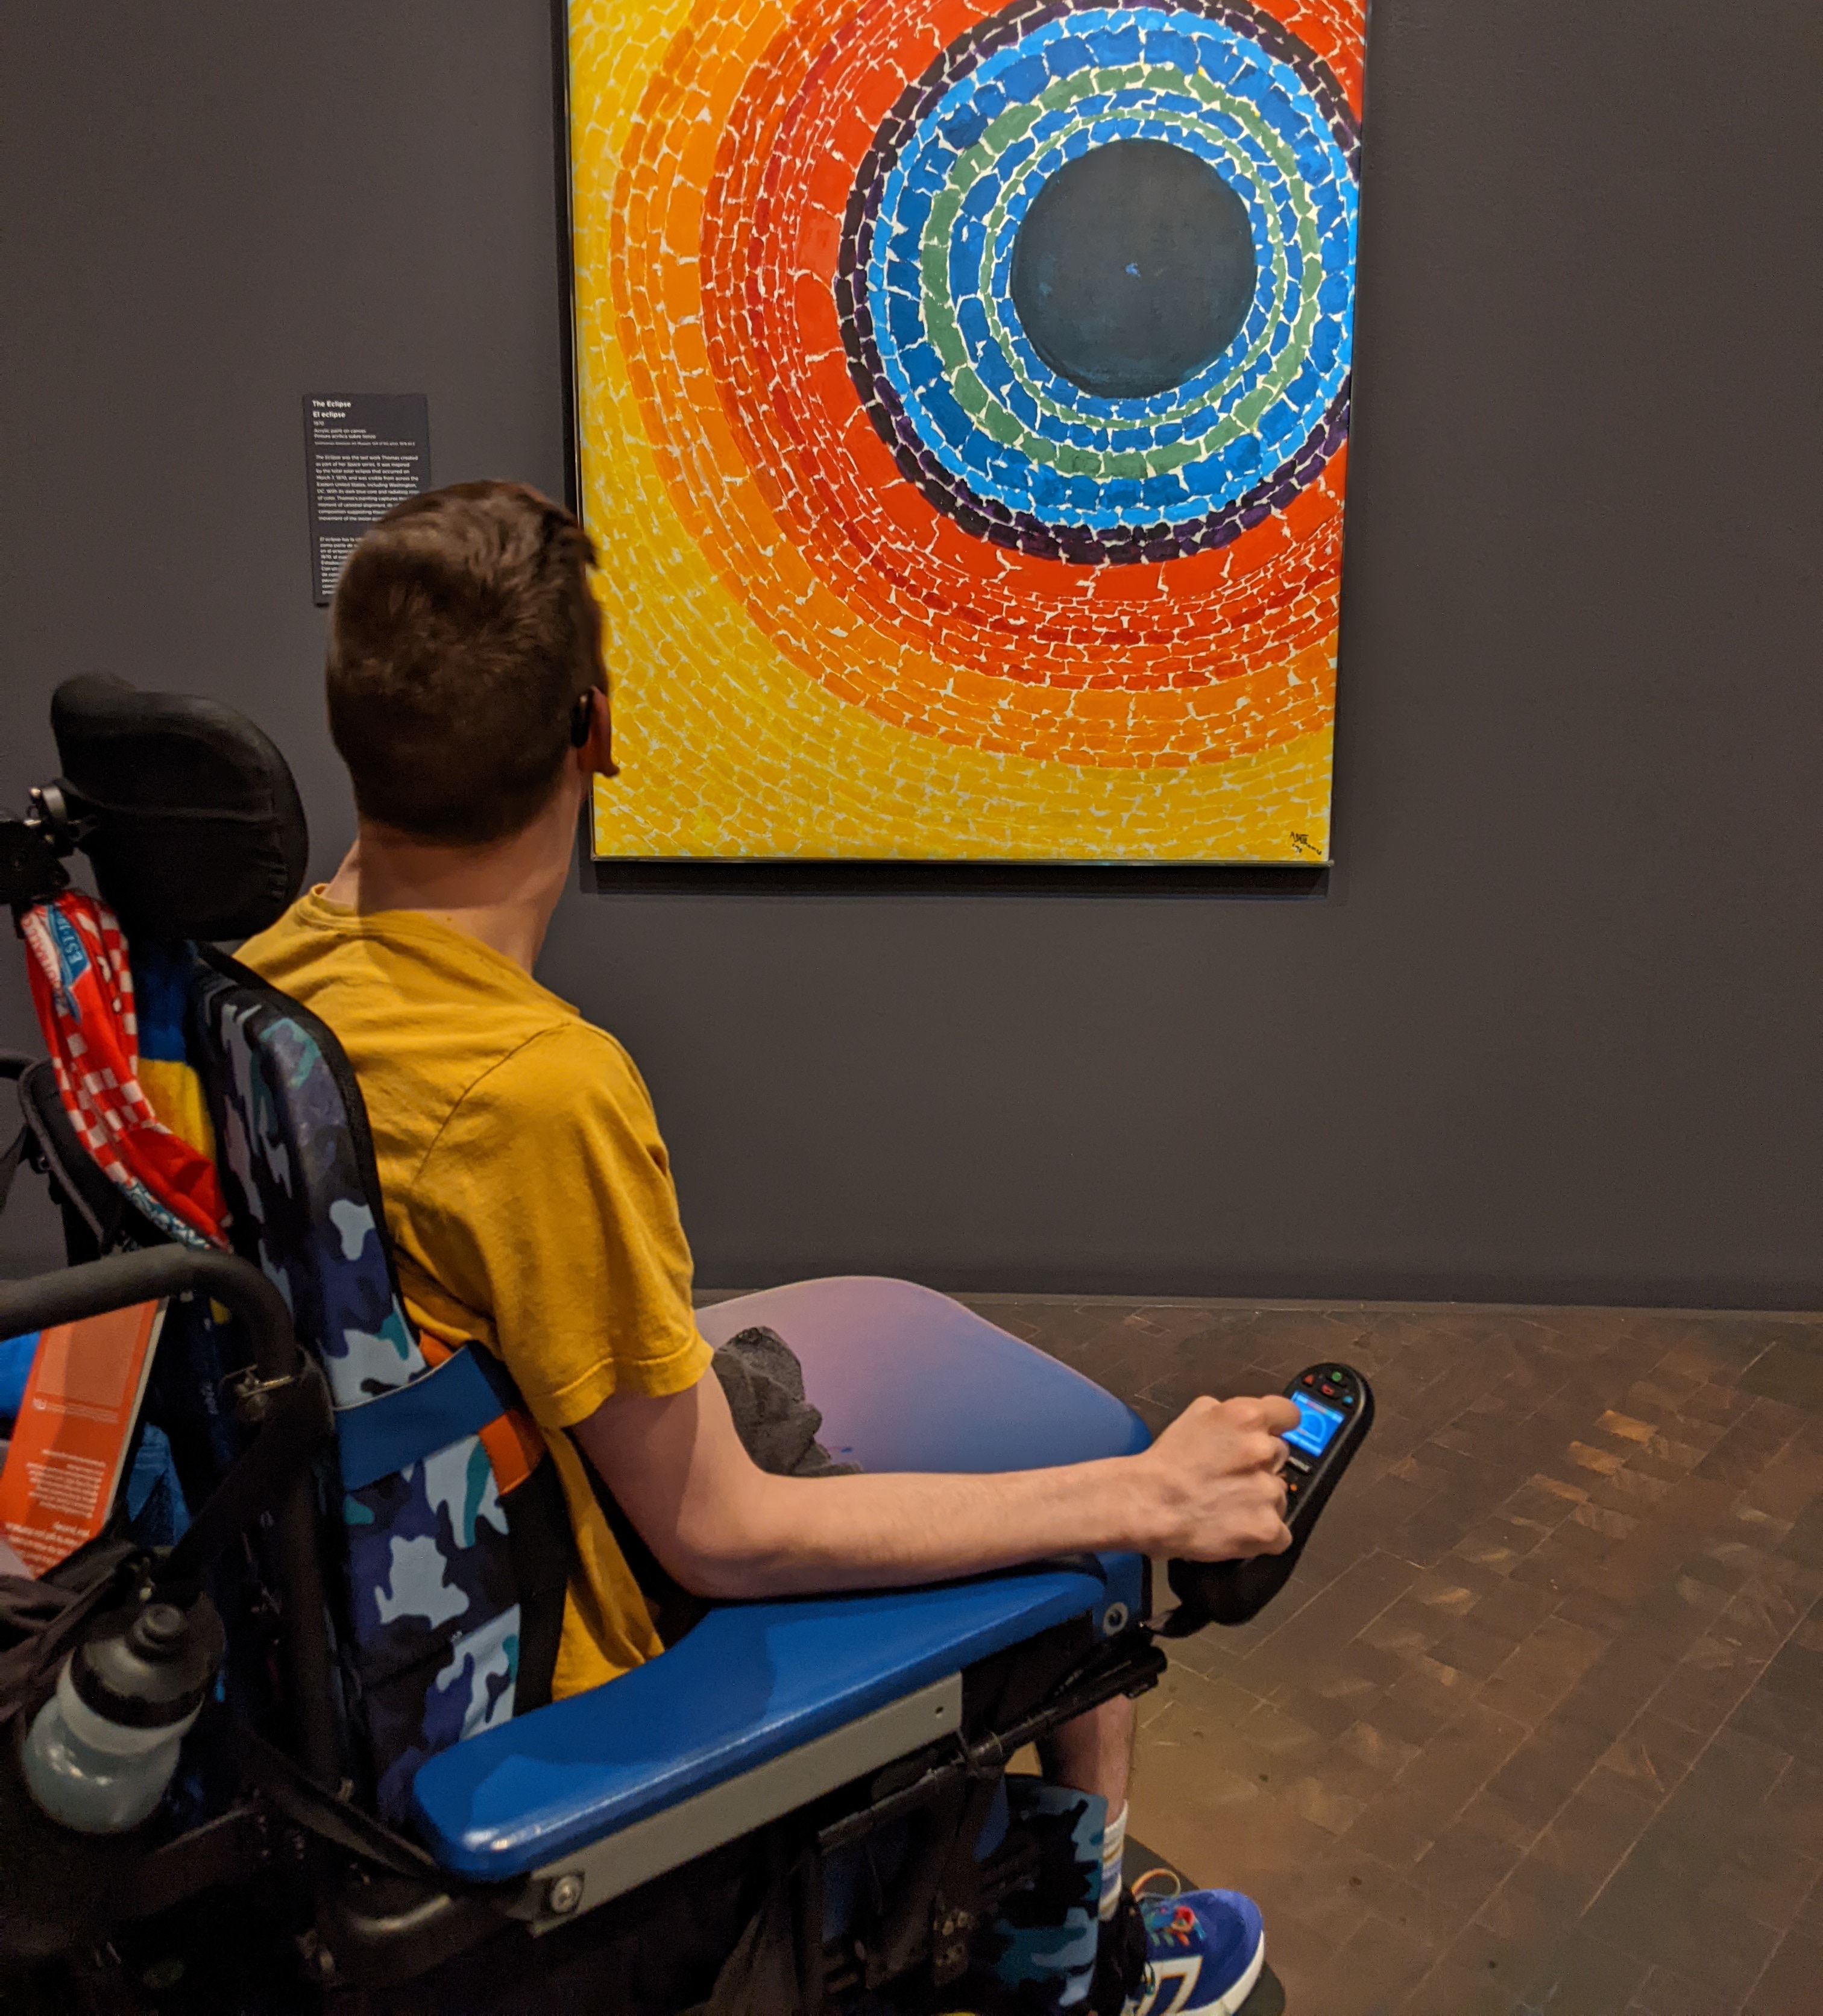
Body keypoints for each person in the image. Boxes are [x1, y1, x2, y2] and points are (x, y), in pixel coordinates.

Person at [241, 480, 1294, 2015]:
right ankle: (1073, 1963)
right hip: (579, 1652)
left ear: (357, 733)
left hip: (366, 1613)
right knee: (1094, 1568)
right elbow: (715, 1533)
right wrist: (1143, 1494)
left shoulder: (277, 977)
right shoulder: (540, 1089)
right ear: (596, 731)